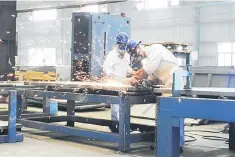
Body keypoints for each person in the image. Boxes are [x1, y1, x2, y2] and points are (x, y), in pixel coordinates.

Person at [102, 32, 133, 132]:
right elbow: (106, 69)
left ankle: (123, 124)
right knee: (116, 105)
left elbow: (127, 67)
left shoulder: (126, 55)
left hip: (123, 83)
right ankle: (116, 125)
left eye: (125, 45)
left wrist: (133, 72)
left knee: (124, 105)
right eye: (122, 45)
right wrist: (110, 77)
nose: (123, 47)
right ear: (118, 44)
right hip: (114, 83)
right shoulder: (112, 55)